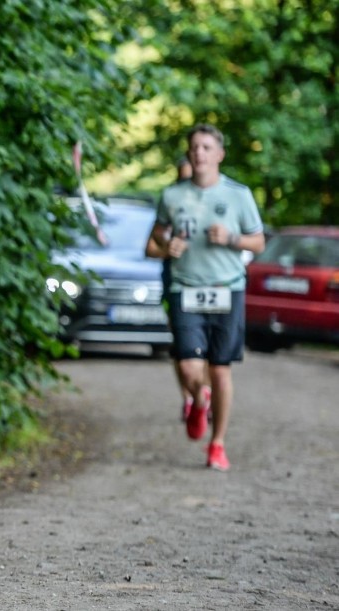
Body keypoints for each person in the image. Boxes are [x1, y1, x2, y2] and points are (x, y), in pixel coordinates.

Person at [150, 124, 264, 472]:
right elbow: (153, 244)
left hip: (227, 288)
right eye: (194, 147)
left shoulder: (238, 195)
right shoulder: (172, 195)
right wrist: (166, 247)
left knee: (221, 370)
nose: (199, 152)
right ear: (189, 153)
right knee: (187, 366)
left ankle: (217, 444)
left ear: (219, 154)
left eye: (206, 147)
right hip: (186, 288)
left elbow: (258, 242)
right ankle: (199, 400)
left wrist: (231, 239)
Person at [145, 157, 210, 421]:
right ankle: (188, 397)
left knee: (207, 347)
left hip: (208, 285)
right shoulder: (170, 206)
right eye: (183, 178)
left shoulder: (213, 205)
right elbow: (149, 248)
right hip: (175, 285)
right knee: (182, 345)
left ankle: (203, 393)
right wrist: (166, 250)